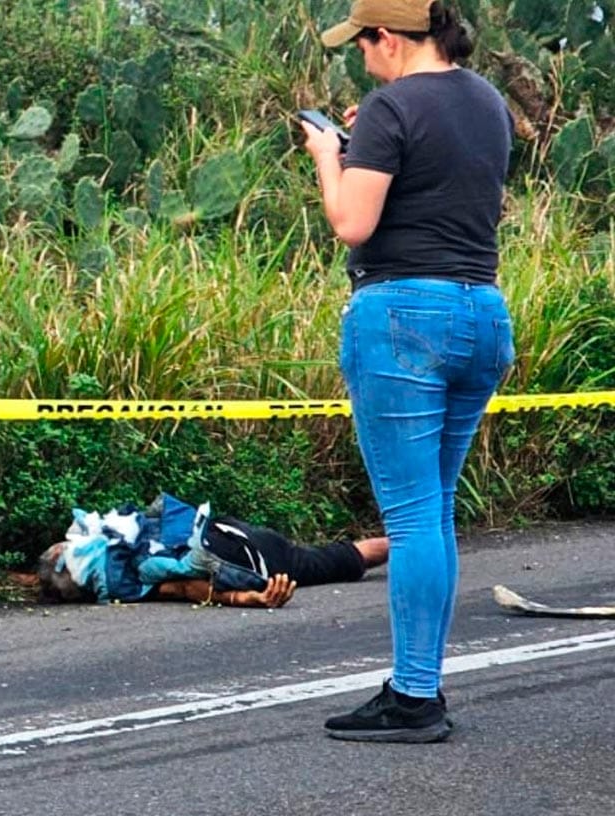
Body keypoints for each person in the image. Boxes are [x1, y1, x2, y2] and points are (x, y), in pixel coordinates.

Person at [301, 0, 515, 742]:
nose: (360, 57)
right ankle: (416, 685)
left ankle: (416, 697)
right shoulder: (486, 102)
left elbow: (352, 224)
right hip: (483, 311)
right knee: (435, 510)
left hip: (401, 317)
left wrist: (334, 154)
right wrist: (373, 140)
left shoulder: (392, 106)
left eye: (362, 44)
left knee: (413, 516)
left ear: (387, 37)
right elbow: (445, 182)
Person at [36, 494, 389, 608]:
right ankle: (416, 538)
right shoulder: (107, 537)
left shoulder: (114, 582)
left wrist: (242, 598)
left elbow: (183, 586)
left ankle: (412, 541)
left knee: (336, 559)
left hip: (244, 562)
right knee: (334, 556)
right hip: (225, 531)